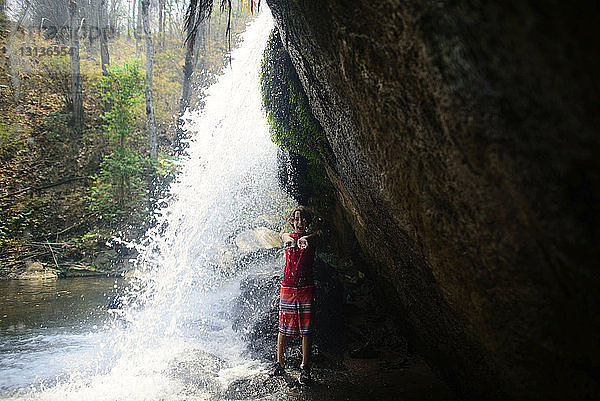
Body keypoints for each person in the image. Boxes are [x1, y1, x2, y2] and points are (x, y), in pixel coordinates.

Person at [271, 205, 318, 385]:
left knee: (307, 329)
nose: (300, 222)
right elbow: (284, 236)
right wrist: (288, 239)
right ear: (292, 221)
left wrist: (305, 238)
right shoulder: (288, 237)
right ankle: (279, 363)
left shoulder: (311, 239)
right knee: (283, 327)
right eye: (297, 219)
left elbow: (313, 237)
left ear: (308, 222)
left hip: (305, 287)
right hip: (288, 287)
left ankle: (305, 367)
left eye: (304, 219)